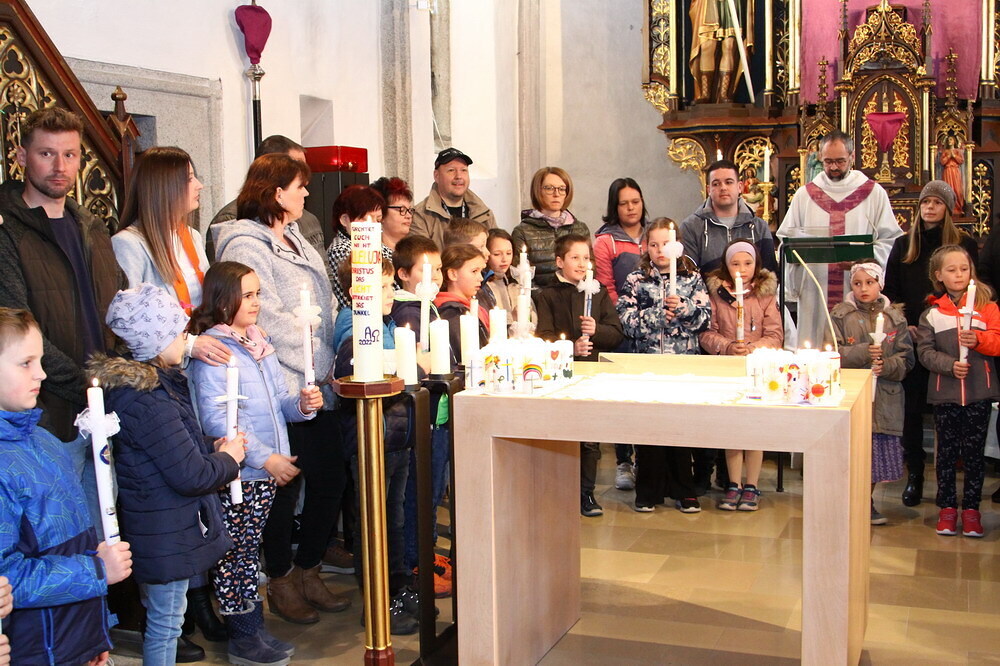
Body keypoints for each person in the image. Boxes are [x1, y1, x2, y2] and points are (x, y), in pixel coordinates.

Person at [213, 154, 350, 625]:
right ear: (276, 192)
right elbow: (265, 315)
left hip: (315, 381)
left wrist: (331, 357)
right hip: (280, 383)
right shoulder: (244, 243)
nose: (307, 193)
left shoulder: (295, 236)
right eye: (299, 185)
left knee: (330, 478)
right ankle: (281, 578)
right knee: (283, 488)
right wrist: (322, 361)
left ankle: (310, 568)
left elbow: (323, 303)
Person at [94, 284, 244, 666]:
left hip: (163, 525)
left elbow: (173, 448)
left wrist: (211, 445)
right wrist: (229, 459)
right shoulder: (147, 399)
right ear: (156, 341)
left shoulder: (149, 388)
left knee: (168, 619)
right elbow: (190, 474)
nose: (186, 337)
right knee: (166, 624)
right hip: (164, 529)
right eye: (179, 331)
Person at [188, 262, 322, 663]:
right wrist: (267, 459)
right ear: (222, 300)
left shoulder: (258, 341)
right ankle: (243, 638)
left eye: (258, 294)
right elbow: (219, 420)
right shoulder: (215, 351)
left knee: (248, 554)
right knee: (235, 557)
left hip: (261, 471)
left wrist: (302, 405)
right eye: (247, 295)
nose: (257, 302)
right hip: (240, 473)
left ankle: (254, 629)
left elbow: (279, 400)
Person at [0, 107, 123, 538]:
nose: (60, 166)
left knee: (110, 532)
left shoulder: (91, 226)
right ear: (21, 156)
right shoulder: (8, 231)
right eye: (46, 153)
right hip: (48, 413)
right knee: (66, 537)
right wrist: (84, 385)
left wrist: (120, 374)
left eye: (69, 155)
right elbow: (16, 328)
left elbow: (118, 306)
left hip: (103, 407)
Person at [0, 307, 132, 666]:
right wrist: (97, 572)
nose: (41, 373)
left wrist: (94, 635)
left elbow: (80, 544)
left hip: (74, 640)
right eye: (25, 363)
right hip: (36, 651)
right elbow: (7, 580)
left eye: (40, 360)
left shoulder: (44, 442)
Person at [333, 257, 423, 635]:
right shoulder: (353, 326)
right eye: (383, 287)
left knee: (394, 518)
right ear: (358, 293)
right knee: (374, 523)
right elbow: (353, 370)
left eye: (390, 286)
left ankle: (398, 588)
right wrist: (406, 362)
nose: (392, 294)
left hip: (396, 437)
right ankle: (376, 602)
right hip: (372, 438)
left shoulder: (384, 324)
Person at [883, 180, 978, 507]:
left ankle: (946, 481)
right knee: (911, 410)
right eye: (925, 202)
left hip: (951, 339)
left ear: (947, 208)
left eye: (936, 202)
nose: (929, 207)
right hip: (912, 337)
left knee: (947, 411)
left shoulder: (963, 243)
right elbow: (891, 291)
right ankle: (915, 475)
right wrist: (905, 324)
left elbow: (972, 286)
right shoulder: (903, 244)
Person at [617, 219, 711, 513]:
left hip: (682, 366)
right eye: (654, 244)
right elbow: (626, 321)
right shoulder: (636, 279)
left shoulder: (691, 278)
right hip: (647, 366)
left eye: (665, 245)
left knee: (680, 429)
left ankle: (684, 489)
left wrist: (684, 307)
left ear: (677, 246)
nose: (659, 251)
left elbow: (705, 319)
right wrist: (656, 316)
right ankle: (648, 491)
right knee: (649, 429)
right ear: (646, 246)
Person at [777, 131, 904, 346]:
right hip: (816, 289)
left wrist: (863, 263)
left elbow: (890, 240)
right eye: (828, 161)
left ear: (852, 157)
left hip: (856, 288)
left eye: (840, 161)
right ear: (820, 157)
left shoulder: (874, 193)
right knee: (815, 349)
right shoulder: (804, 195)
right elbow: (787, 241)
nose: (834, 167)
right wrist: (798, 259)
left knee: (857, 350)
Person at [534, 234, 624, 516]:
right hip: (561, 376)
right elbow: (543, 335)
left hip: (591, 374)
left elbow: (617, 333)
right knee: (561, 435)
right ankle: (558, 492)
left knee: (589, 438)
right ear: (559, 261)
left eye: (586, 258)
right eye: (575, 257)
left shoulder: (597, 293)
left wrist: (597, 330)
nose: (582, 263)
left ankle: (586, 493)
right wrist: (570, 347)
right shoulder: (547, 295)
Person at [917, 246, 1000, 538]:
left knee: (974, 456)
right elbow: (925, 352)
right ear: (938, 275)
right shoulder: (932, 314)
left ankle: (972, 511)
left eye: (964, 269)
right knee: (947, 455)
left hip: (978, 393)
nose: (959, 275)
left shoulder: (988, 307)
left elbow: (997, 341)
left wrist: (978, 340)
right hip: (946, 394)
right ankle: (948, 508)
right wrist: (950, 365)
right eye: (951, 270)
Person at [388, 235, 453, 597]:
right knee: (420, 493)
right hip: (422, 417)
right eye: (426, 270)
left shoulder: (426, 306)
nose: (436, 277)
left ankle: (424, 554)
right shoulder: (408, 312)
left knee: (432, 490)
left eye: (439, 269)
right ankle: (416, 562)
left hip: (436, 414)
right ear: (403, 274)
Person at [700, 239, 782, 511]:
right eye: (735, 264)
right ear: (727, 266)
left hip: (757, 370)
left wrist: (752, 348)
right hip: (728, 370)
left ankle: (752, 484)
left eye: (747, 263)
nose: (742, 269)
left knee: (754, 430)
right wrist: (726, 346)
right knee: (732, 429)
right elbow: (707, 333)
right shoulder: (717, 295)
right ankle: (733, 483)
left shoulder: (765, 295)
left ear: (756, 265)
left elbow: (775, 335)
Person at [830, 261, 913, 525]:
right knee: (851, 453)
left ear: (880, 284)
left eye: (870, 282)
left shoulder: (895, 319)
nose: (863, 288)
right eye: (857, 283)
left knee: (875, 458)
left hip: (885, 398)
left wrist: (886, 365)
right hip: (852, 393)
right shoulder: (840, 316)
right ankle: (848, 501)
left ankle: (866, 501)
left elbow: (906, 358)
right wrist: (863, 352)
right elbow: (831, 352)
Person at [207, 135, 326, 263]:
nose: (306, 185)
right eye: (294, 165)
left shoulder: (305, 221)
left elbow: (323, 268)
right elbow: (225, 272)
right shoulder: (232, 220)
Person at [680, 159, 777, 277]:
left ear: (740, 187)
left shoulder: (759, 227)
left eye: (729, 182)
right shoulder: (691, 227)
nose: (723, 188)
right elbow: (689, 274)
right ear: (709, 190)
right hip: (707, 289)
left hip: (752, 289)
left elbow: (769, 274)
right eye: (716, 184)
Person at [513, 167, 592, 288]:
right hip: (539, 297)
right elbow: (521, 276)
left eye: (562, 189)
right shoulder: (523, 231)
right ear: (538, 191)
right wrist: (546, 298)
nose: (556, 194)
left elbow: (590, 268)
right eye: (549, 188)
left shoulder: (580, 229)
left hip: (576, 295)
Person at [411, 147, 496, 250]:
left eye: (463, 170)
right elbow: (420, 256)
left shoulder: (484, 213)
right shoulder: (421, 215)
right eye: (451, 170)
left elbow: (495, 251)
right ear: (436, 176)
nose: (458, 176)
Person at [326, 185, 386, 309]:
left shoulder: (377, 245)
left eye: (378, 220)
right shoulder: (341, 250)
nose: (373, 225)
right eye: (365, 219)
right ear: (344, 220)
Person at [688, 0, 754, 103]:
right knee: (707, 45)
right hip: (708, 3)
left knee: (729, 46)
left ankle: (724, 94)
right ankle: (705, 94)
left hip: (732, 4)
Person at [594, 178, 648, 304]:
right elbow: (606, 288)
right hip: (622, 310)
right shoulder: (605, 242)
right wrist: (624, 311)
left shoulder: (655, 235)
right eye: (623, 203)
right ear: (615, 207)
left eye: (635, 202)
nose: (631, 207)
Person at [434, 244, 490, 354]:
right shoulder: (451, 313)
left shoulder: (472, 305)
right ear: (453, 274)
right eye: (474, 271)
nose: (481, 278)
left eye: (481, 271)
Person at [483, 228, 534, 327]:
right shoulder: (483, 286)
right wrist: (512, 318)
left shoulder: (516, 282)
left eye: (509, 253)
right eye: (497, 254)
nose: (504, 259)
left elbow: (532, 317)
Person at [371, 176, 415, 252]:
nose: (409, 216)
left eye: (409, 210)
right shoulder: (372, 252)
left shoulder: (415, 250)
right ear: (381, 214)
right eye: (401, 209)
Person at [938, 135, 965, 216]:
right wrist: (949, 156)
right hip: (947, 171)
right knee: (948, 189)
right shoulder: (945, 151)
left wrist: (954, 156)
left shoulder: (957, 151)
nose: (950, 141)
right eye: (949, 140)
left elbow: (961, 161)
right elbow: (942, 162)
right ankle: (949, 208)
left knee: (957, 189)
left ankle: (958, 207)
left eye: (951, 140)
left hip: (955, 172)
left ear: (954, 141)